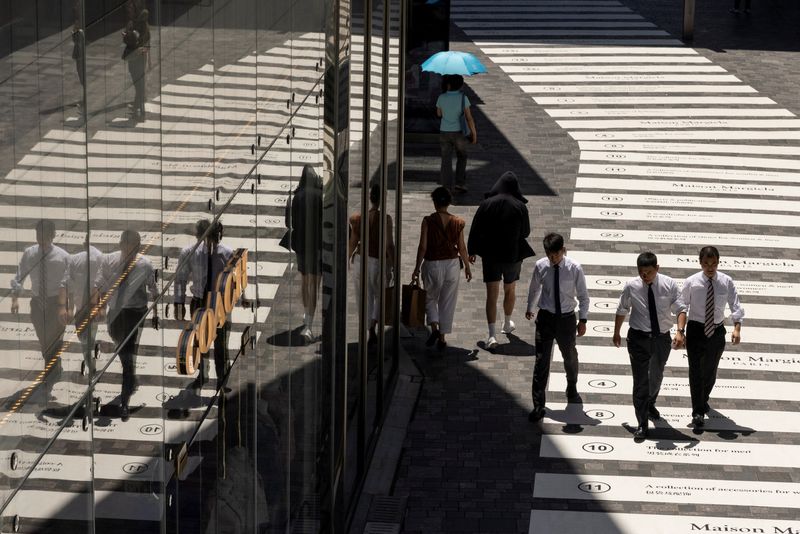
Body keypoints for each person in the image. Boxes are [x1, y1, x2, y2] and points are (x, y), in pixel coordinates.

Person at [612, 252, 685, 439]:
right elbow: (622, 309)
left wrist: (680, 331)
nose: (645, 276)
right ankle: (642, 423)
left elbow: (680, 309)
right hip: (638, 338)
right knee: (640, 381)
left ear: (657, 268)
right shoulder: (631, 286)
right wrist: (616, 332)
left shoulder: (669, 284)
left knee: (657, 374)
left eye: (649, 272)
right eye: (642, 272)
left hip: (661, 338)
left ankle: (650, 403)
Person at [675, 246, 744, 428]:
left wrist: (737, 328)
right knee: (695, 371)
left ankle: (702, 398)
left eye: (713, 263)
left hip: (717, 330)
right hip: (696, 329)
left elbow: (735, 306)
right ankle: (697, 411)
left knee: (710, 371)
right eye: (706, 263)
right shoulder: (692, 282)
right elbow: (682, 306)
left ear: (718, 262)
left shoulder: (726, 281)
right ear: (700, 263)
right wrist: (680, 331)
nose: (710, 267)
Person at [93, 230, 158, 421]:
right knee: (118, 342)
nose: (128, 251)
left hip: (135, 312)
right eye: (125, 247)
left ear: (137, 248)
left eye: (132, 248)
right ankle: (130, 375)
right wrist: (99, 307)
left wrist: (155, 313)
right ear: (120, 245)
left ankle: (124, 402)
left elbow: (152, 288)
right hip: (116, 312)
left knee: (128, 354)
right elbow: (98, 283)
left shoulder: (144, 265)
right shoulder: (109, 261)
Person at [525, 233, 589, 422]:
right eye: (549, 255)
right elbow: (535, 288)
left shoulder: (574, 268)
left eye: (556, 254)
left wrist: (583, 319)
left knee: (569, 355)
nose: (553, 259)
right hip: (546, 317)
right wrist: (530, 307)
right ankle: (538, 405)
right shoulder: (541, 266)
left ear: (563, 250)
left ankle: (571, 385)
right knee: (541, 361)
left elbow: (584, 296)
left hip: (567, 319)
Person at [467, 171, 534, 349]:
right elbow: (526, 232)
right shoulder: (520, 206)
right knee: (510, 289)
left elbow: (475, 228)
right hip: (512, 255)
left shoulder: (486, 204)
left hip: (490, 255)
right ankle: (507, 322)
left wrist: (472, 250)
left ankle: (491, 335)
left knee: (492, 294)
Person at [10, 220, 69, 403]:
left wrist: (66, 307)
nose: (41, 239)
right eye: (38, 235)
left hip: (55, 304)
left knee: (51, 343)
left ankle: (47, 382)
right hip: (37, 305)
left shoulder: (63, 257)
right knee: (45, 343)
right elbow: (19, 276)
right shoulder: (30, 253)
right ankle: (54, 367)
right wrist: (14, 299)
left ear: (52, 235)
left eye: (44, 236)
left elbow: (69, 283)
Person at [174, 220, 233, 391]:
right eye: (206, 239)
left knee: (221, 344)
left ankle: (222, 379)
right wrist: (179, 302)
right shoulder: (189, 252)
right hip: (199, 301)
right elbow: (181, 278)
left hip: (220, 303)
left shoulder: (227, 253)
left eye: (213, 239)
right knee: (199, 342)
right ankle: (202, 375)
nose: (209, 244)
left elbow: (233, 279)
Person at [411, 187, 472, 351]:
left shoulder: (428, 221)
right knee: (447, 301)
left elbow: (422, 247)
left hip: (432, 264)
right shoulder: (458, 222)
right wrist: (467, 266)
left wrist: (417, 268)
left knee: (430, 298)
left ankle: (435, 329)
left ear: (435, 202)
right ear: (449, 202)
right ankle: (443, 338)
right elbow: (462, 247)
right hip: (452, 264)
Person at [348, 183, 396, 345]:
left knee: (363, 297)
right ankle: (374, 324)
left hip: (361, 261)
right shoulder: (386, 219)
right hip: (378, 261)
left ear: (370, 198)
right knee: (381, 296)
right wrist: (394, 264)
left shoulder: (358, 218)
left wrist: (347, 259)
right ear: (383, 199)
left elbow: (352, 243)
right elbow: (389, 245)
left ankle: (369, 329)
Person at [286, 165, 323, 344]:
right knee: (315, 283)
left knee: (305, 280)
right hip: (316, 245)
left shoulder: (297, 196)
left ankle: (306, 312)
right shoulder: (319, 196)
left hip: (301, 244)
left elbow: (289, 221)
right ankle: (309, 322)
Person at [59, 236, 103, 377]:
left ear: (84, 244)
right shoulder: (101, 258)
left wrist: (69, 307)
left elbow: (67, 283)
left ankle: (90, 362)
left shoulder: (75, 259)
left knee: (84, 337)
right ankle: (91, 358)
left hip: (81, 307)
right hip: (94, 304)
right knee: (90, 334)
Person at [436, 74, 477, 194]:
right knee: (462, 157)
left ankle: (446, 187)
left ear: (448, 85)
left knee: (446, 160)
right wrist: (474, 134)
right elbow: (469, 118)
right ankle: (460, 183)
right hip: (459, 133)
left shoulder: (441, 97)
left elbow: (439, 114)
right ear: (461, 85)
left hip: (444, 132)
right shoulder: (463, 98)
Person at [122, 1, 149, 123]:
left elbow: (132, 41)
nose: (128, 11)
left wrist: (126, 36)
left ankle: (138, 111)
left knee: (139, 86)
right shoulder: (141, 24)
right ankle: (139, 111)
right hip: (139, 57)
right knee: (140, 85)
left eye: (130, 9)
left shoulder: (136, 25)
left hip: (136, 57)